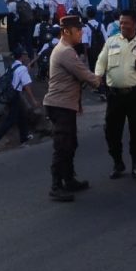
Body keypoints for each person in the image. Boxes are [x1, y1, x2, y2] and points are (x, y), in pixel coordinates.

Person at [95, 9, 136, 182]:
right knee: (111, 131)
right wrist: (97, 76)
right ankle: (118, 163)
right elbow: (101, 61)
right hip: (115, 97)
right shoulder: (111, 42)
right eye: (121, 22)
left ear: (135, 23)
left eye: (126, 23)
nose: (122, 25)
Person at [43, 16, 101, 202]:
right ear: (67, 31)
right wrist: (100, 77)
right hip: (60, 105)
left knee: (70, 143)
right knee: (62, 146)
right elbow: (86, 76)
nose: (81, 34)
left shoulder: (66, 50)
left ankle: (68, 179)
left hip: (65, 105)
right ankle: (56, 185)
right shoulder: (66, 52)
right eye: (78, 31)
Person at [0, 47, 40, 152]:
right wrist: (33, 100)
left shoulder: (12, 66)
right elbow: (27, 86)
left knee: (22, 115)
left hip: (11, 94)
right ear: (21, 56)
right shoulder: (22, 69)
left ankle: (24, 137)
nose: (26, 56)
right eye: (24, 55)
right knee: (11, 119)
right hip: (15, 95)